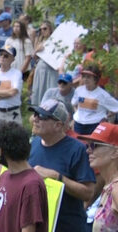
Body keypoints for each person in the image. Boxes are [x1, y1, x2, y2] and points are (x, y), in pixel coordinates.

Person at [28, 99, 95, 231]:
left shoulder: (77, 149)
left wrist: (57, 177)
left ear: (58, 125)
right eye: (35, 114)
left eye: (42, 116)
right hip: (40, 225)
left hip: (68, 226)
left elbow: (88, 193)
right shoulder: (34, 143)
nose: (35, 119)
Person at [77, 123, 118, 231]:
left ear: (115, 152)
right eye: (88, 145)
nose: (88, 150)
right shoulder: (108, 184)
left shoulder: (116, 189)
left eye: (94, 145)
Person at [72, 64, 118, 135]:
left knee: (93, 146)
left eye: (89, 77)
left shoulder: (103, 95)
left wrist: (106, 116)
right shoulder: (78, 90)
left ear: (95, 79)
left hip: (94, 125)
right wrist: (77, 114)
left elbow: (116, 107)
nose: (85, 79)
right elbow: (74, 103)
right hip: (79, 125)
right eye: (84, 77)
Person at [29, 21, 57, 106]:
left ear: (50, 29)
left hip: (51, 68)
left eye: (45, 29)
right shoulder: (39, 41)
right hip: (41, 67)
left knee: (50, 87)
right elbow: (34, 56)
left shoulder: (55, 41)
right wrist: (37, 50)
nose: (43, 31)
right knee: (40, 88)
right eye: (41, 29)